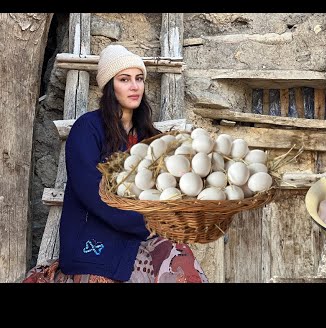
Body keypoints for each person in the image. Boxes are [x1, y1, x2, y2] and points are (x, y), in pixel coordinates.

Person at [24, 44, 208, 283]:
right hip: (95, 232)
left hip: (142, 235)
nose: (134, 86)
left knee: (181, 259)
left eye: (139, 79)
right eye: (124, 79)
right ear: (110, 85)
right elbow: (92, 193)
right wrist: (147, 223)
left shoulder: (150, 137)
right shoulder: (87, 129)